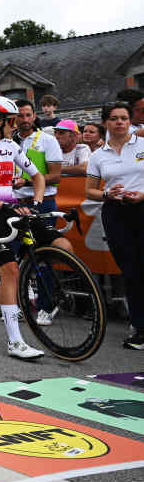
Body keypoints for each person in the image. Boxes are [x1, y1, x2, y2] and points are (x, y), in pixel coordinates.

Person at [0, 96, 70, 360]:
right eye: (12, 120)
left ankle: (44, 294)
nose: (17, 123)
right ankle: (15, 342)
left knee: (63, 245)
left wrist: (38, 203)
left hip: (14, 209)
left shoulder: (11, 146)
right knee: (10, 270)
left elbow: (38, 177)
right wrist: (1, 207)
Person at [84, 101, 144, 350]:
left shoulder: (142, 144)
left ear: (130, 121)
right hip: (115, 213)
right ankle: (140, 328)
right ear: (106, 123)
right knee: (131, 271)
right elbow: (89, 191)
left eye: (124, 118)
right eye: (114, 118)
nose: (120, 122)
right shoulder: (98, 155)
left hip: (142, 207)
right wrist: (107, 195)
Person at [13, 100, 64, 219]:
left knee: (47, 238)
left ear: (34, 116)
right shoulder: (9, 141)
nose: (25, 120)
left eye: (28, 115)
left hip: (43, 202)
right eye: (20, 116)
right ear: (13, 118)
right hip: (17, 204)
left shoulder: (48, 140)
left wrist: (26, 182)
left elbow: (55, 176)